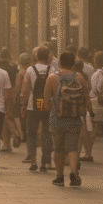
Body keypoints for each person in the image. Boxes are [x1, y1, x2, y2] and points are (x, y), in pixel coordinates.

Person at [43, 51, 92, 186]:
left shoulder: (52, 78)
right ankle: (74, 174)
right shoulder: (80, 78)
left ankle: (59, 177)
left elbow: (46, 102)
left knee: (58, 149)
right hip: (75, 119)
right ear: (73, 64)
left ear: (59, 63)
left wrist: (50, 108)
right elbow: (87, 98)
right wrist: (90, 112)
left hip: (57, 119)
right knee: (72, 148)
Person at [20, 46, 53, 173]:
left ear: (36, 56)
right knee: (46, 133)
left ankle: (33, 160)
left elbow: (25, 90)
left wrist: (23, 105)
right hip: (46, 105)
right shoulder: (52, 69)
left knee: (31, 133)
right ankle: (45, 161)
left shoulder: (30, 70)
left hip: (33, 106)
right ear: (48, 57)